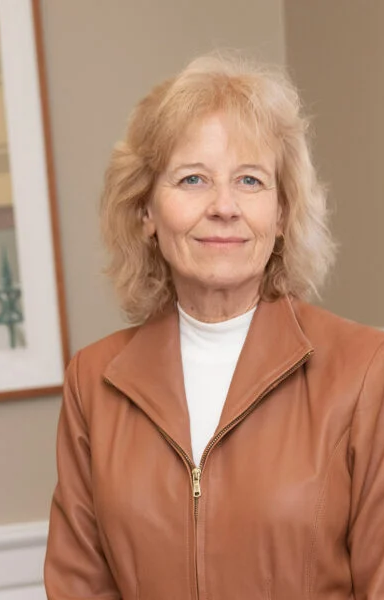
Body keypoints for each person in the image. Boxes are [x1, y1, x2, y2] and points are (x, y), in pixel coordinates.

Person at [44, 54, 384, 599]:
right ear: (146, 211)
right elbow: (79, 585)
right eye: (193, 179)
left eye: (250, 180)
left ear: (281, 214)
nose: (224, 206)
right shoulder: (93, 381)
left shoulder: (367, 370)